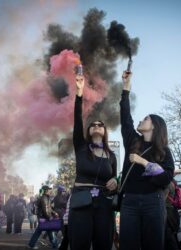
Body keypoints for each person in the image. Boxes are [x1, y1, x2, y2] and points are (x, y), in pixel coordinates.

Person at [119, 71, 175, 250]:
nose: (141, 120)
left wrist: (143, 163)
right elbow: (125, 117)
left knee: (153, 245)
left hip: (154, 201)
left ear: (154, 125)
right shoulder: (132, 141)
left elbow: (166, 178)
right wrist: (126, 87)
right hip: (130, 202)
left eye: (146, 118)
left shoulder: (164, 151)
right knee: (128, 245)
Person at [68, 73, 118, 250]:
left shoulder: (111, 156)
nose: (97, 126)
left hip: (104, 203)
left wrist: (115, 182)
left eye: (100, 125)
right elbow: (77, 119)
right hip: (82, 200)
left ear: (105, 131)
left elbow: (115, 179)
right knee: (80, 243)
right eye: (93, 124)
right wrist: (79, 93)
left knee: (103, 243)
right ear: (89, 130)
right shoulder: (81, 147)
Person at [28, 185, 58, 249]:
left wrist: (54, 212)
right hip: (44, 218)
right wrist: (49, 217)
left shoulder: (45, 197)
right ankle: (55, 245)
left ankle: (31, 244)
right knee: (49, 231)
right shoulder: (44, 198)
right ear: (46, 191)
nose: (50, 191)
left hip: (43, 218)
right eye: (49, 190)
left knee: (46, 231)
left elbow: (48, 208)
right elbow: (45, 209)